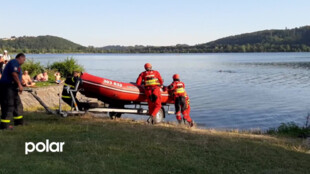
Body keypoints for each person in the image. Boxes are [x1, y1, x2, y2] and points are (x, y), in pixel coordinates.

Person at [0, 53, 26, 130]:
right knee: (9, 105)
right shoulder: (14, 62)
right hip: (7, 87)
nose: (23, 62)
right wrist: (20, 85)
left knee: (17, 104)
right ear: (20, 58)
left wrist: (21, 84)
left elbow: (18, 76)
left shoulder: (17, 65)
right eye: (23, 60)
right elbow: (14, 74)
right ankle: (4, 125)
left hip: (13, 87)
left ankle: (19, 122)